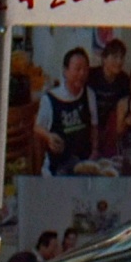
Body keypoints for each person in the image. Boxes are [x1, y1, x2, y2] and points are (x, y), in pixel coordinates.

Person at [35, 45, 100, 173]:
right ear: (65, 71)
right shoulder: (50, 98)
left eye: (85, 69)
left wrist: (95, 151)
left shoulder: (89, 94)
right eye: (77, 69)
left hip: (84, 164)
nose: (82, 74)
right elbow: (37, 128)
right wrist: (49, 136)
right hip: (57, 167)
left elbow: (94, 127)